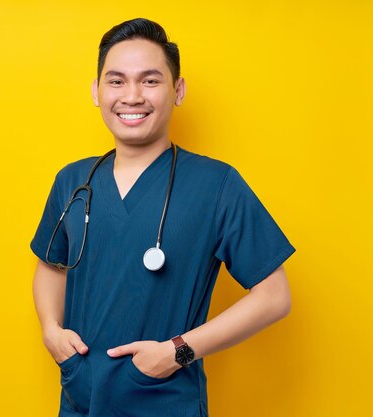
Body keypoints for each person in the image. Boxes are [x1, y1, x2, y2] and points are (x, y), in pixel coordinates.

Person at [30, 17, 295, 417]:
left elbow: (274, 296)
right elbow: (51, 266)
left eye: (150, 81)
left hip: (165, 399)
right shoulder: (73, 180)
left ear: (178, 90)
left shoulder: (216, 184)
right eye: (116, 81)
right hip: (81, 396)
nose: (132, 96)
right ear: (96, 92)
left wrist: (178, 351)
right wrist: (51, 330)